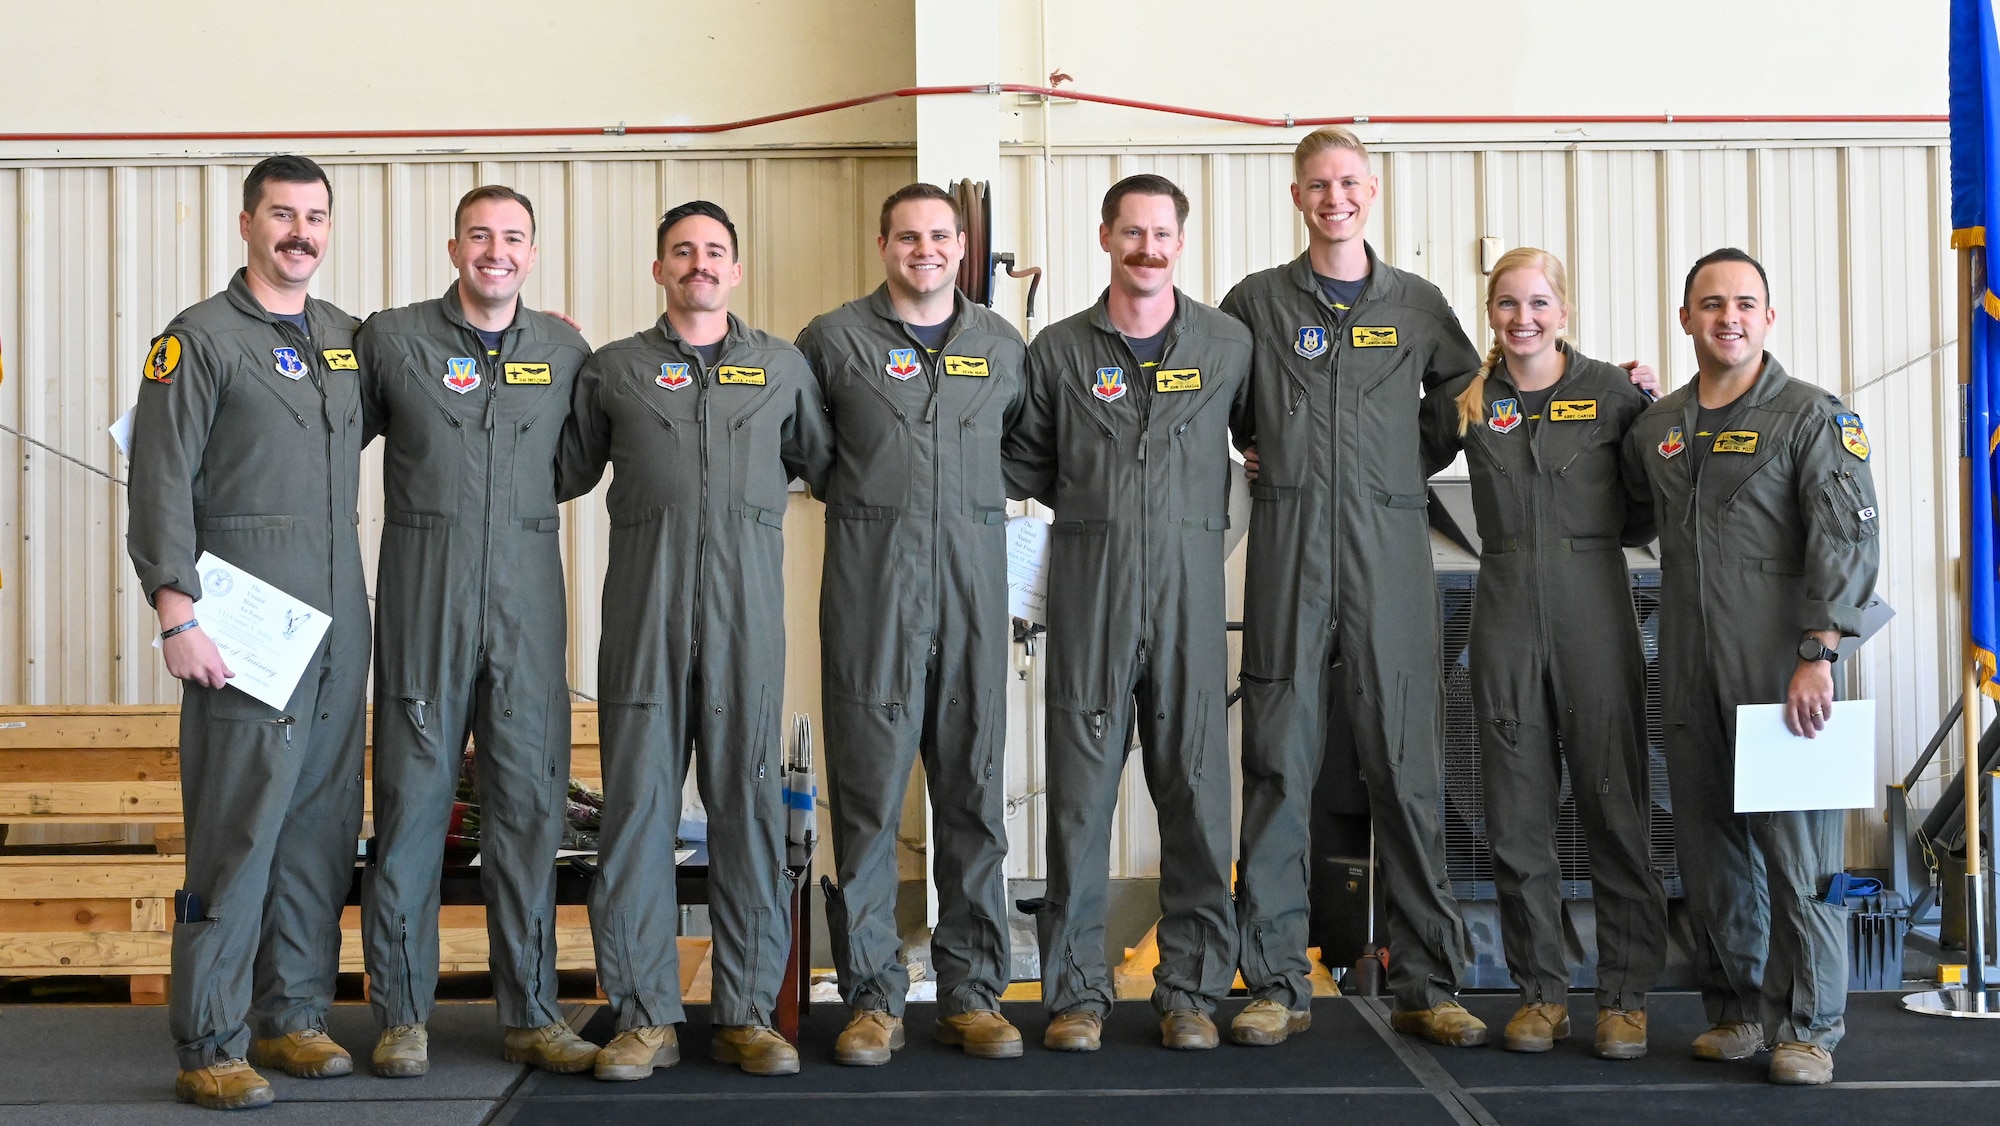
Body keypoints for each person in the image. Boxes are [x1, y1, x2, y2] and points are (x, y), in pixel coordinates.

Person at [1219, 126, 1488, 1048]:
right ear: (1297, 197)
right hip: (1291, 544)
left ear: (1370, 192)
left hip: (1388, 548)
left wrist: (1399, 465)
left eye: (1348, 183)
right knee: (1278, 764)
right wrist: (1271, 451)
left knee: (1407, 767)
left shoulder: (1415, 303)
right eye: (1316, 185)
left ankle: (1428, 979)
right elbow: (1228, 401)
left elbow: (1465, 391)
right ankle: (1277, 983)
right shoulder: (1256, 301)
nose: (1333, 197)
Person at [558, 200, 835, 1079]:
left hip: (747, 621)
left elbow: (821, 462)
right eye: (683, 252)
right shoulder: (614, 370)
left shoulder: (782, 368)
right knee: (637, 814)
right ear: (659, 270)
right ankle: (645, 1016)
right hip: (643, 615)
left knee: (748, 812)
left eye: (715, 252)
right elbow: (563, 468)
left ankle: (748, 1012)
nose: (699, 264)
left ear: (736, 271)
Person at [126, 155, 369, 1110]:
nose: (299, 232)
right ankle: (212, 1038)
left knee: (318, 828)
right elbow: (159, 482)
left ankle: (295, 1014)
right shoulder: (198, 341)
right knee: (238, 830)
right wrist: (173, 610)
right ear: (245, 223)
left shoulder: (347, 341)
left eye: (314, 216)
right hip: (241, 626)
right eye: (281, 215)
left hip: (338, 623)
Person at [353, 185, 596, 1078]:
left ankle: (532, 1012)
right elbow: (334, 431)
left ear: (532, 253)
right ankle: (402, 1016)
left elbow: (573, 464)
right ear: (453, 246)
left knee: (531, 809)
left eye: (514, 238)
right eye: (481, 236)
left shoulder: (564, 347)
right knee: (414, 809)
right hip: (425, 586)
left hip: (529, 593)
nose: (497, 251)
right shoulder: (392, 339)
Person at [1622, 248, 1880, 1086]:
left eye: (1744, 302)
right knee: (1711, 852)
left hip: (1782, 665)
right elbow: (1624, 513)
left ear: (1768, 318)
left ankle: (1810, 1027)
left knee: (1799, 856)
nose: (1727, 316)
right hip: (1691, 662)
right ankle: (1738, 1011)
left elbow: (1847, 537)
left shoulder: (1812, 417)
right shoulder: (1658, 426)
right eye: (1710, 303)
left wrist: (1820, 652)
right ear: (1686, 316)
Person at [1005, 173, 1250, 1053]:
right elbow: (1024, 459)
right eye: (1131, 232)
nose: (1147, 248)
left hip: (1188, 596)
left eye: (1162, 234)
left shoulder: (1227, 344)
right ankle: (1075, 991)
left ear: (1181, 242)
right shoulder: (1061, 351)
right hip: (1091, 591)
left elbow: (1262, 440)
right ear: (1104, 236)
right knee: (1078, 798)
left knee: (1195, 793)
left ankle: (1188, 990)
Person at [795, 184, 1027, 1065]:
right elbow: (809, 451)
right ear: (882, 243)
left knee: (973, 795)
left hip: (972, 592)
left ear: (962, 247)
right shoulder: (832, 341)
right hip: (871, 592)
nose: (924, 249)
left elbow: (1024, 450)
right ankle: (871, 998)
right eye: (907, 236)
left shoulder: (1000, 345)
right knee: (866, 802)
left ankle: (972, 994)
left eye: (940, 236)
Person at [1418, 247, 1669, 1059]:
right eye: (1505, 304)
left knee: (1613, 799)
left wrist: (1655, 400)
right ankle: (1541, 992)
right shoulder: (1469, 399)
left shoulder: (1615, 393)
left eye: (1537, 303)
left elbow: (1648, 502)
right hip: (1502, 606)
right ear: (1489, 312)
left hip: (1594, 599)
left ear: (1563, 308)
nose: (1522, 319)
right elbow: (1387, 453)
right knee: (1516, 808)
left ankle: (1625, 996)